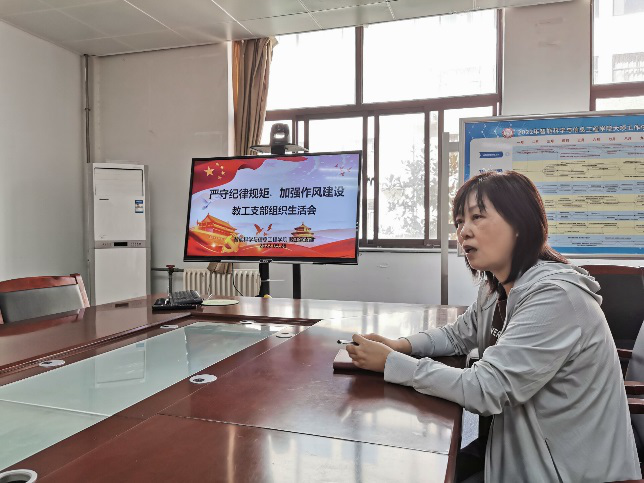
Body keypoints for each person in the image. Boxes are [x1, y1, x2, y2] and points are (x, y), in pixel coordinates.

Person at [346, 170, 641, 482]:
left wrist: (392, 363)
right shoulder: (495, 288)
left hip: (565, 470)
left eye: (477, 217)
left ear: (520, 224)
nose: (463, 231)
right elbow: (457, 335)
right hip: (514, 447)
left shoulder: (555, 297)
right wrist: (400, 345)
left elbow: (485, 389)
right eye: (459, 221)